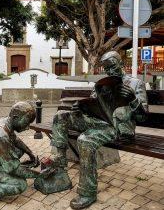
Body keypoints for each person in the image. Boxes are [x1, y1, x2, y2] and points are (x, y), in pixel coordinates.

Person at [46, 51, 148, 209]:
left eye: (112, 67)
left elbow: (143, 118)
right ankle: (60, 167)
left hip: (117, 128)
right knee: (61, 116)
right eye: (106, 69)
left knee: (85, 140)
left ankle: (87, 192)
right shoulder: (101, 84)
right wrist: (81, 107)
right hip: (97, 121)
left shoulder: (135, 84)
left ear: (121, 64)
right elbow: (92, 104)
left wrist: (133, 100)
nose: (109, 72)